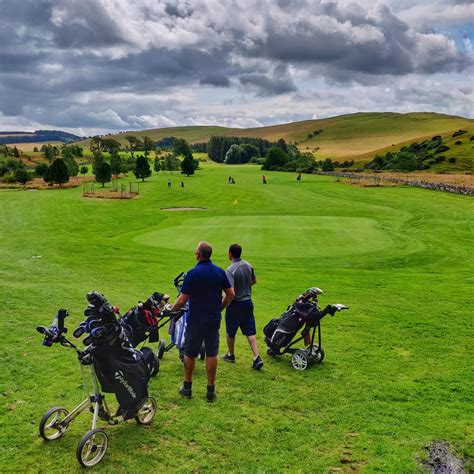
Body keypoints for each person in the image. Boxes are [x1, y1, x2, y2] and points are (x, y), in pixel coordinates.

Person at [172, 242, 234, 401]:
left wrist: (172, 309)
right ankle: (210, 390)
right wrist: (221, 307)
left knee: (190, 353)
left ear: (199, 255)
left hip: (195, 319)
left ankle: (187, 387)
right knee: (212, 353)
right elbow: (231, 294)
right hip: (213, 319)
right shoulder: (219, 272)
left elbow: (182, 300)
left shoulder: (193, 273)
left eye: (195, 252)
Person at [221, 243, 263, 370]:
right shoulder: (248, 265)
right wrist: (245, 286)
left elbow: (231, 293)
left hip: (235, 305)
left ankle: (231, 355)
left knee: (230, 331)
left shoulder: (230, 270)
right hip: (248, 303)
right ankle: (256, 357)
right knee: (250, 331)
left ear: (230, 253)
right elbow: (254, 280)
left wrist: (222, 306)